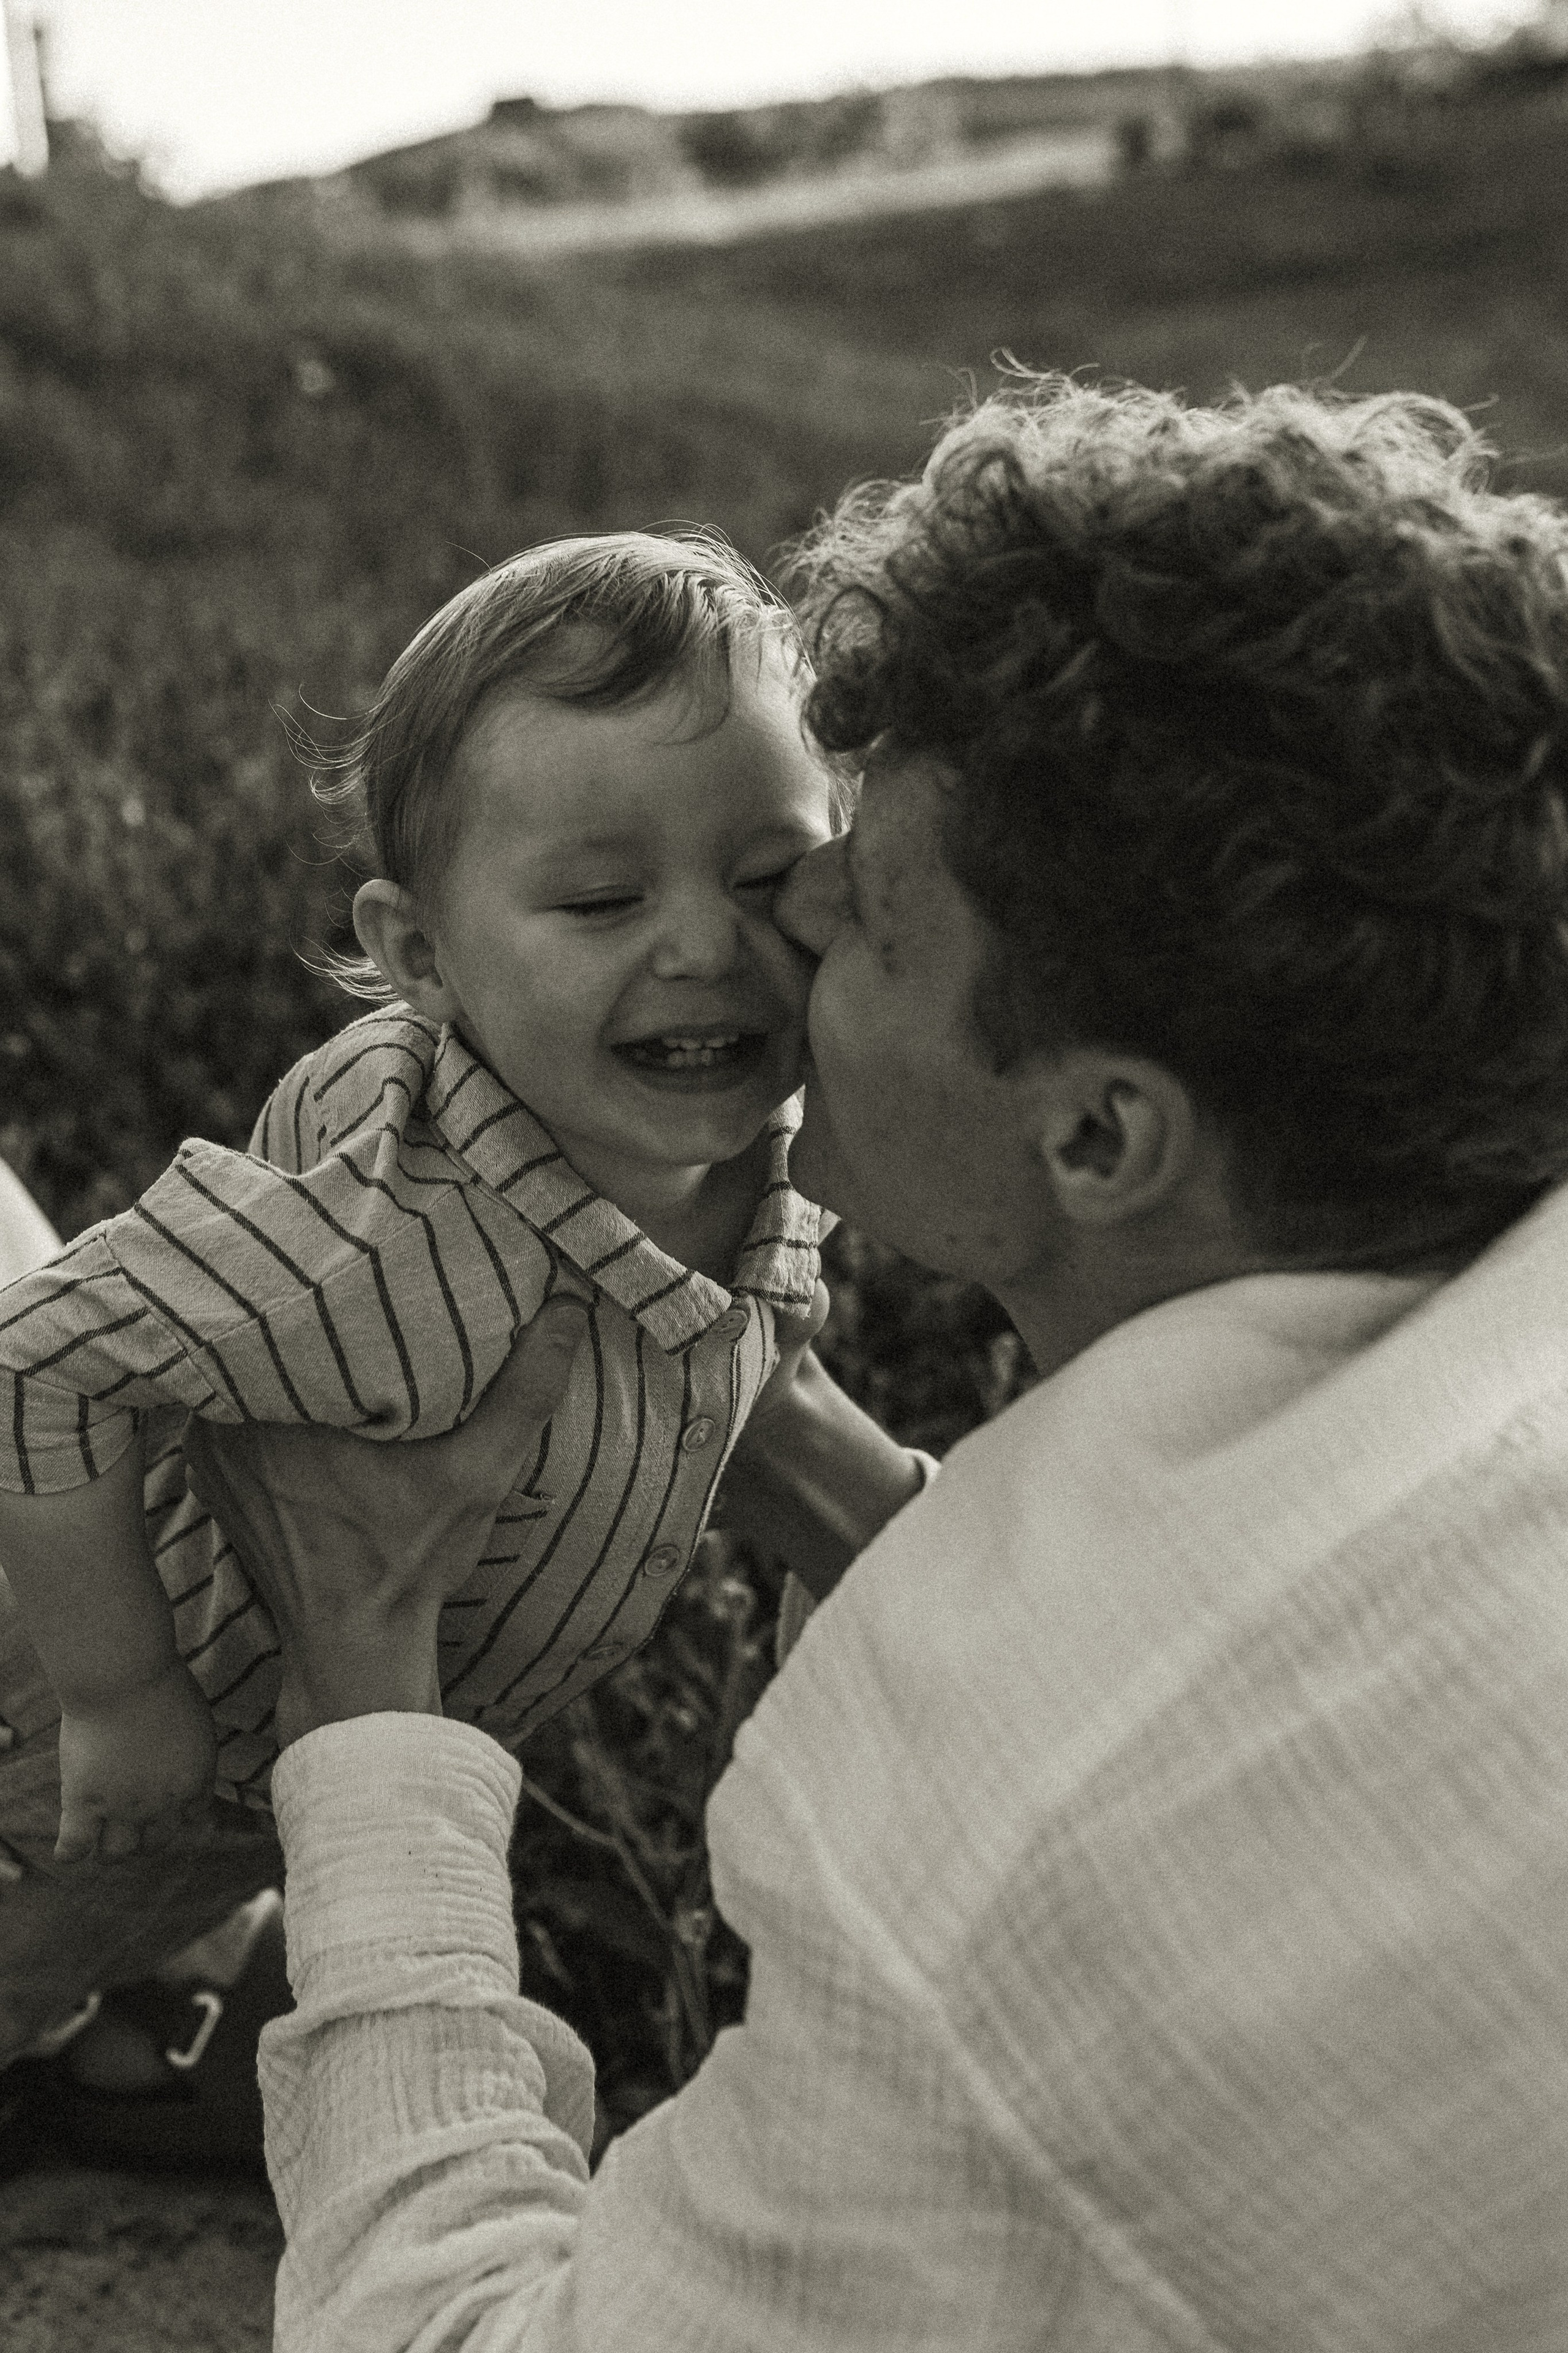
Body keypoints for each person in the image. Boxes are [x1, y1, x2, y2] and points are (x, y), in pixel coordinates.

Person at [192, 374, 1568, 2349]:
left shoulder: (982, 1857)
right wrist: (816, 1456)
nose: (793, 914)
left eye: (865, 910)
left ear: (1096, 1136)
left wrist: (361, 1682)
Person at [0, 529, 927, 2069]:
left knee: (169, 1907)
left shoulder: (742, 1148)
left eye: (764, 878)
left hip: (285, 1767)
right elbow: (40, 1356)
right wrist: (121, 1692)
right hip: (71, 1746)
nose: (704, 944)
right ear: (421, 954)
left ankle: (174, 2013)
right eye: (598, 902)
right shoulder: (398, 1240)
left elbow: (748, 1378)